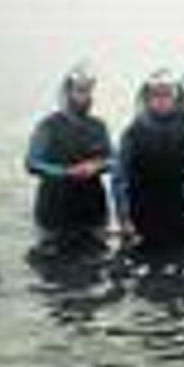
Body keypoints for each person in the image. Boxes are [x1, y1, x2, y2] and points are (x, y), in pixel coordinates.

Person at [113, 71, 184, 253]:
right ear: (147, 99)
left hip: (177, 214)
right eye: (156, 95)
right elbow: (119, 179)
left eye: (166, 95)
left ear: (174, 99)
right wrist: (124, 220)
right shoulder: (132, 134)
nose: (162, 101)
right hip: (141, 218)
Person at [25, 63, 113, 244]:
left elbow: (115, 159)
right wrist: (66, 172)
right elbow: (32, 163)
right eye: (80, 91)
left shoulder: (98, 126)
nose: (85, 96)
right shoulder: (48, 126)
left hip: (92, 212)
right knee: (52, 267)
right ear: (67, 93)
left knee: (96, 265)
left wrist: (98, 165)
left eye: (88, 91)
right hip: (55, 212)